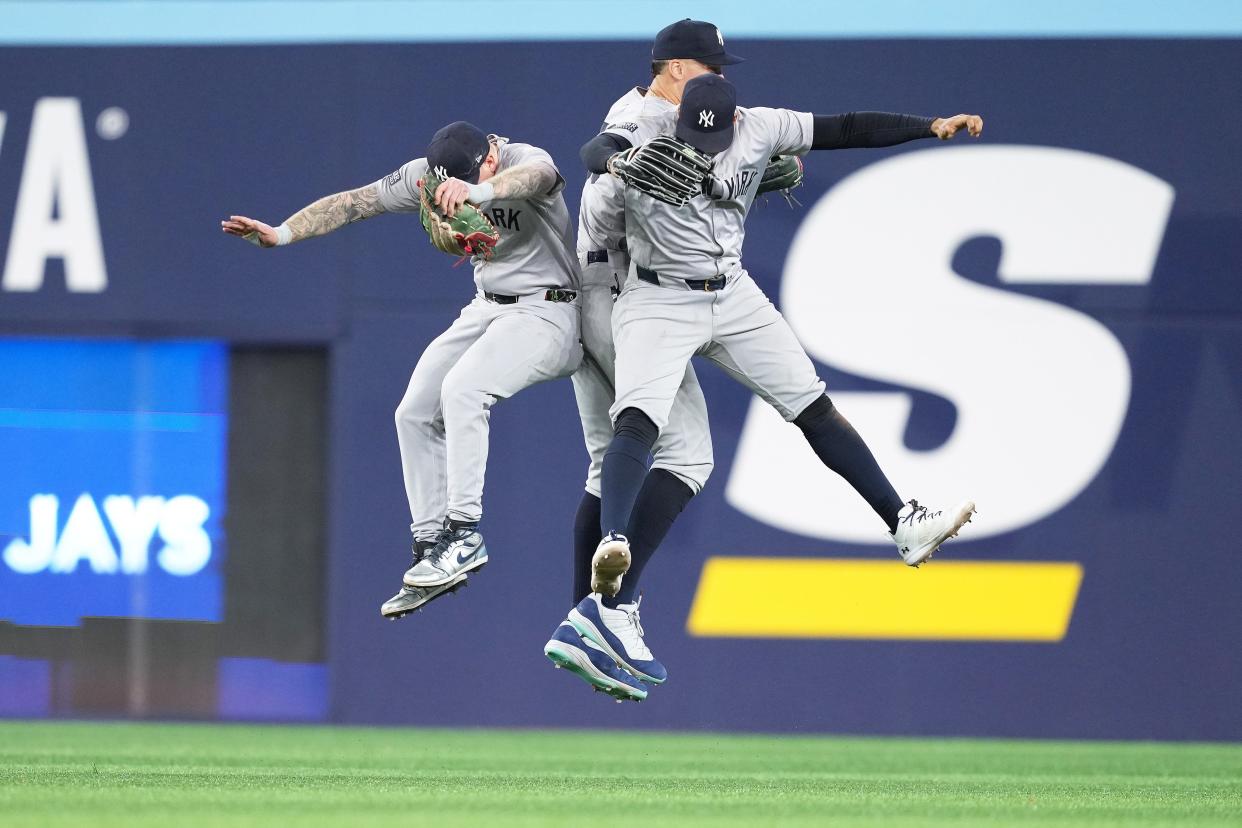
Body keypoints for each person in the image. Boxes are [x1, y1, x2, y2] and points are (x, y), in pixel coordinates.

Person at [575, 74, 981, 688]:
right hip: (657, 297)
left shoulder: (764, 126)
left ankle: (904, 524)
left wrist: (928, 125)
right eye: (691, 136)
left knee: (814, 406)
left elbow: (845, 128)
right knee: (637, 421)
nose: (700, 148)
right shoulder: (653, 137)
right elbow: (592, 152)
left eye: (710, 138)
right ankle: (614, 546)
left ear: (735, 122)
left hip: (731, 292)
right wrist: (621, 161)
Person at [221, 121, 582, 619]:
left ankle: (464, 534)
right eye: (443, 181)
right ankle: (431, 545)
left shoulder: (522, 159)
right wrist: (281, 233)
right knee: (413, 411)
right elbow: (356, 202)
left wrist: (477, 189)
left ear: (489, 159)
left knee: (463, 390)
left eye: (465, 177)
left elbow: (540, 177)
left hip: (551, 310)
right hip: (487, 306)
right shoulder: (428, 177)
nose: (445, 189)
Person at [542, 19, 741, 703]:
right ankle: (605, 612)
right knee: (687, 457)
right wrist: (620, 161)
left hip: (590, 285)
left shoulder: (662, 111)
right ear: (680, 68)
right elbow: (599, 151)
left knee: (607, 462)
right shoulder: (647, 116)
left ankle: (583, 621)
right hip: (621, 291)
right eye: (713, 68)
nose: (724, 79)